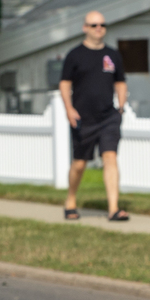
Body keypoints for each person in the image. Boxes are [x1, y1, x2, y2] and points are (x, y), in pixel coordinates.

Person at [58, 11, 129, 222]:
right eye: (94, 25)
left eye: (102, 25)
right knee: (79, 164)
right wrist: (69, 109)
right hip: (82, 118)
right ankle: (70, 200)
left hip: (109, 116)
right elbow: (65, 83)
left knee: (110, 157)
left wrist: (121, 106)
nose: (99, 28)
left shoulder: (113, 55)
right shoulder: (75, 55)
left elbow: (121, 81)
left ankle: (114, 209)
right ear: (85, 28)